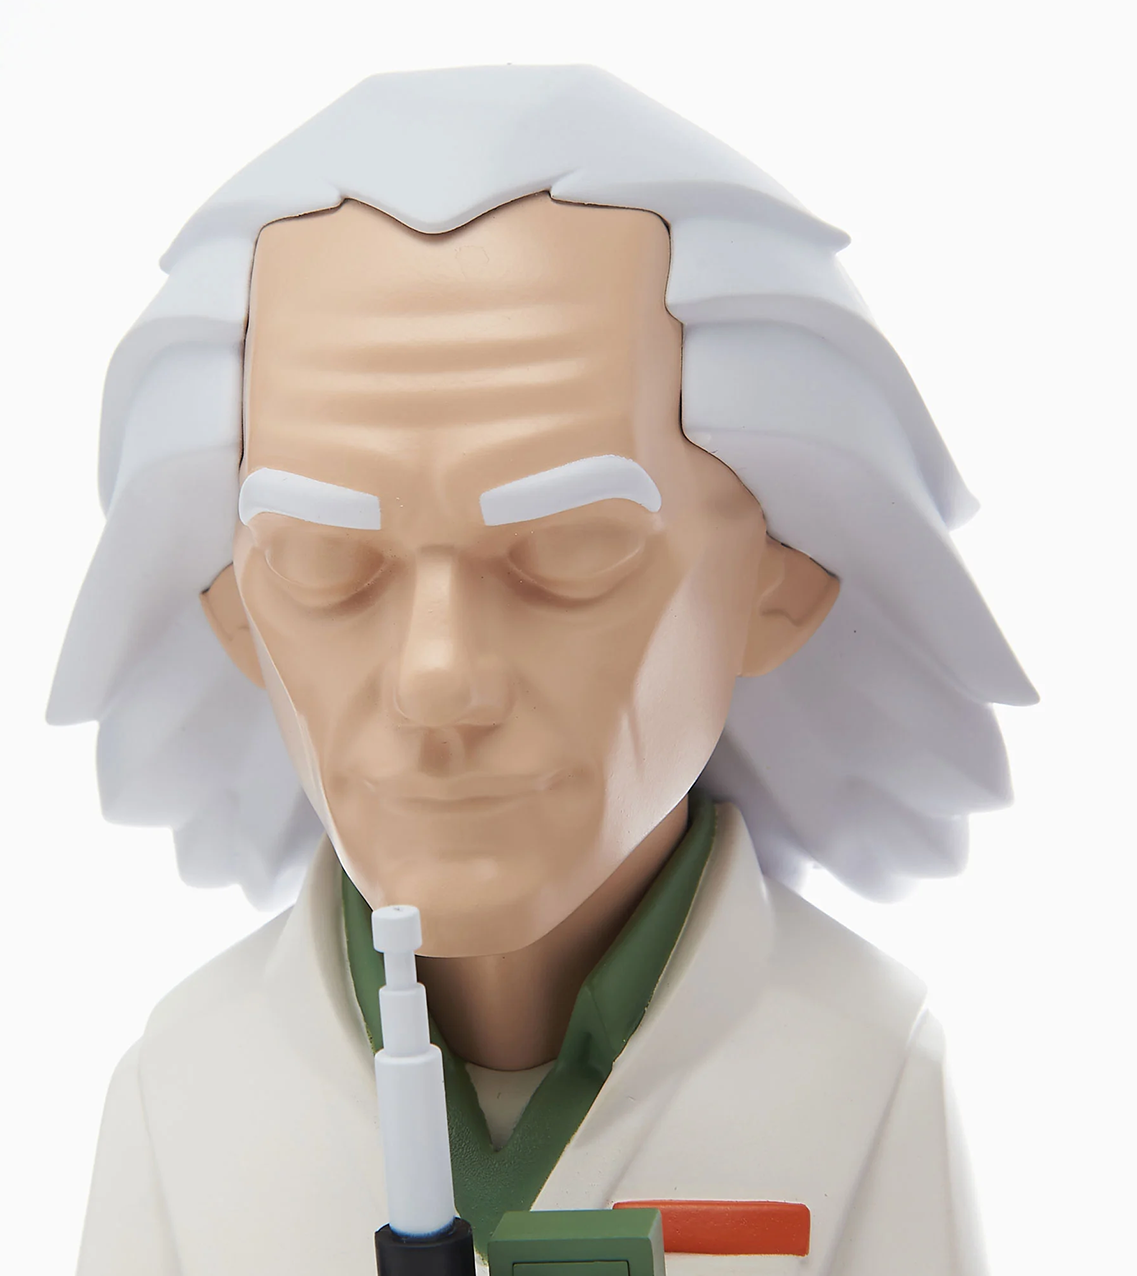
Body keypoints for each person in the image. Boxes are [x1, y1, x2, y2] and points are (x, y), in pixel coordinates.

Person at [51, 65, 1033, 1276]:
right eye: (325, 564)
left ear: (777, 585)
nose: (437, 676)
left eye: (568, 552)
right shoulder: (185, 1094)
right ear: (235, 612)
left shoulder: (865, 1073)